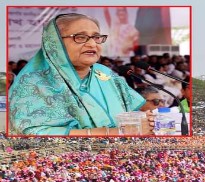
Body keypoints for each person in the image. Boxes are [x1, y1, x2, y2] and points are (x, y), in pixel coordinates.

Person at [9, 13, 154, 136]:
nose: (92, 44)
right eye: (80, 37)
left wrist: (145, 120)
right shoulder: (33, 82)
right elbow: (32, 132)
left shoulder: (105, 74)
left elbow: (130, 116)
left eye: (96, 37)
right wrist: (113, 133)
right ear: (54, 42)